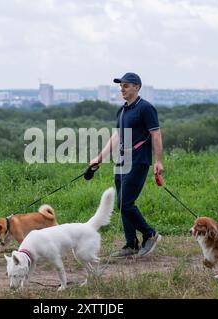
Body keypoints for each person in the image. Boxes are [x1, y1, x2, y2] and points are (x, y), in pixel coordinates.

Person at [90, 72, 163, 257]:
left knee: (125, 202)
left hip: (139, 160)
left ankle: (150, 234)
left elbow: (156, 134)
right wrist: (99, 158)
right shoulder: (122, 110)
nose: (122, 89)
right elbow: (117, 136)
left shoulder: (146, 108)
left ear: (137, 87)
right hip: (122, 160)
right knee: (122, 203)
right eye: (120, 85)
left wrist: (158, 161)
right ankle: (131, 245)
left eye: (126, 85)